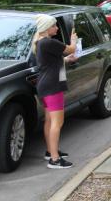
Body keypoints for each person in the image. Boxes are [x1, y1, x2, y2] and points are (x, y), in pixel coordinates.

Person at [32, 14, 78, 169]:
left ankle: (50, 151)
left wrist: (66, 60)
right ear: (46, 27)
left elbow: (49, 63)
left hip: (44, 86)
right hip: (53, 87)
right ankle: (55, 160)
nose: (57, 28)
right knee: (58, 122)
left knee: (50, 121)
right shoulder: (50, 42)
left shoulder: (40, 43)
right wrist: (74, 41)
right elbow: (71, 49)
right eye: (54, 25)